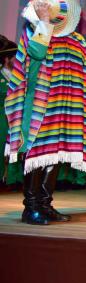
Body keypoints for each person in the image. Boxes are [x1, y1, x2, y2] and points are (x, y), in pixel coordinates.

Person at [5, 0, 86, 224]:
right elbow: (36, 54)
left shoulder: (76, 40)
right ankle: (31, 207)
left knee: (55, 155)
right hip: (38, 106)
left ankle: (45, 204)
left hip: (65, 109)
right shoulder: (34, 32)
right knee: (37, 154)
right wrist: (43, 21)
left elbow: (85, 74)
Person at [0, 35, 21, 189]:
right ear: (7, 59)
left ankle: (14, 179)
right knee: (1, 147)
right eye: (15, 58)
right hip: (2, 117)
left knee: (16, 148)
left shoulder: (19, 76)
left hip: (16, 117)